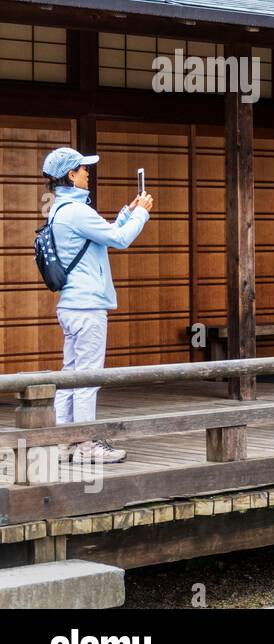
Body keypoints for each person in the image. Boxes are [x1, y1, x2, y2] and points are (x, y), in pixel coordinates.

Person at [41, 147, 153, 464]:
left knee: (71, 376)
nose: (88, 172)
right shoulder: (77, 211)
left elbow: (104, 235)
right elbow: (119, 240)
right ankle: (88, 444)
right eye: (83, 168)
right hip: (88, 307)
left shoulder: (62, 210)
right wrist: (142, 212)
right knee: (87, 377)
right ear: (70, 175)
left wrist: (127, 213)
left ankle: (63, 442)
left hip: (71, 305)